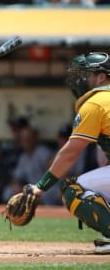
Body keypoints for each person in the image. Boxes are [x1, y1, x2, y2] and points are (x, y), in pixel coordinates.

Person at [22, 52, 110, 254]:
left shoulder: (96, 101)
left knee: (73, 188)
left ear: (102, 77)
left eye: (86, 74)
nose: (81, 79)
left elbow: (71, 151)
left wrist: (40, 187)